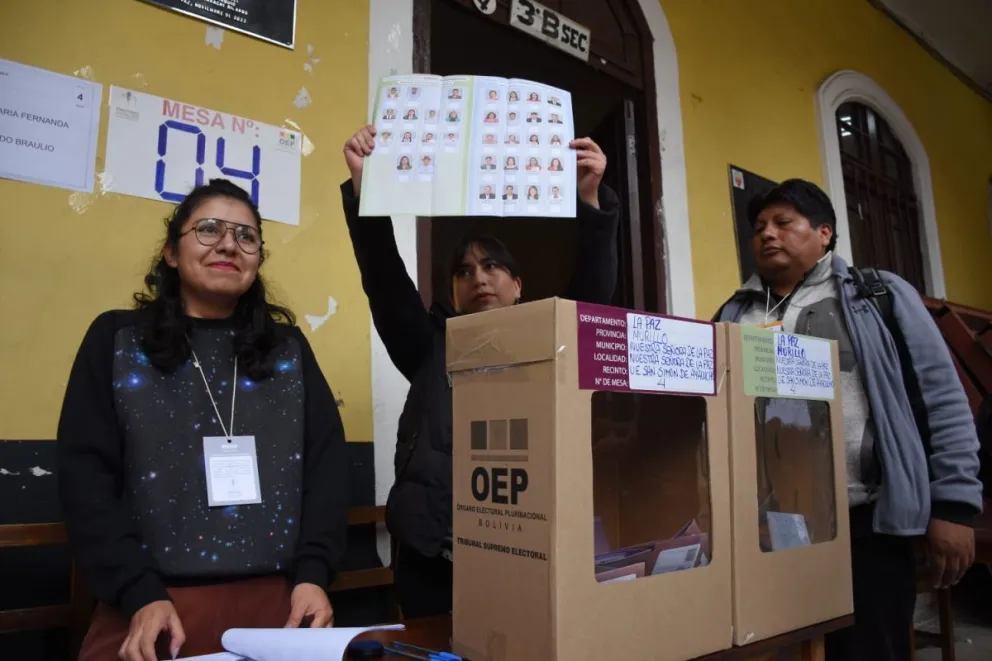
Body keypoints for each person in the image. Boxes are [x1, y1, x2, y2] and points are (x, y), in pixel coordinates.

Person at [58, 179, 349, 661]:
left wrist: (314, 577)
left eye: (246, 236)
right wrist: (138, 592)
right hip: (152, 605)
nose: (229, 245)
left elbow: (328, 469)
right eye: (209, 229)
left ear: (257, 260)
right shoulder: (116, 340)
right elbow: (85, 479)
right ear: (171, 252)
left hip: (282, 605)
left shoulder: (288, 350)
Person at [341, 124, 619, 618]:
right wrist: (366, 188)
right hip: (431, 559)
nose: (479, 279)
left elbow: (591, 302)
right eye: (464, 271)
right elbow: (383, 277)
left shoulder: (548, 345)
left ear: (518, 285)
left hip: (528, 551)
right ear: (452, 292)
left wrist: (590, 201)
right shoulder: (427, 347)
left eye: (492, 267)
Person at [713, 179, 982, 661]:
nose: (767, 234)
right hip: (766, 529)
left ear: (824, 233)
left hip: (866, 524)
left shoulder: (877, 295)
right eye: (759, 227)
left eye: (783, 222)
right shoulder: (734, 312)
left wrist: (954, 506)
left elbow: (941, 397)